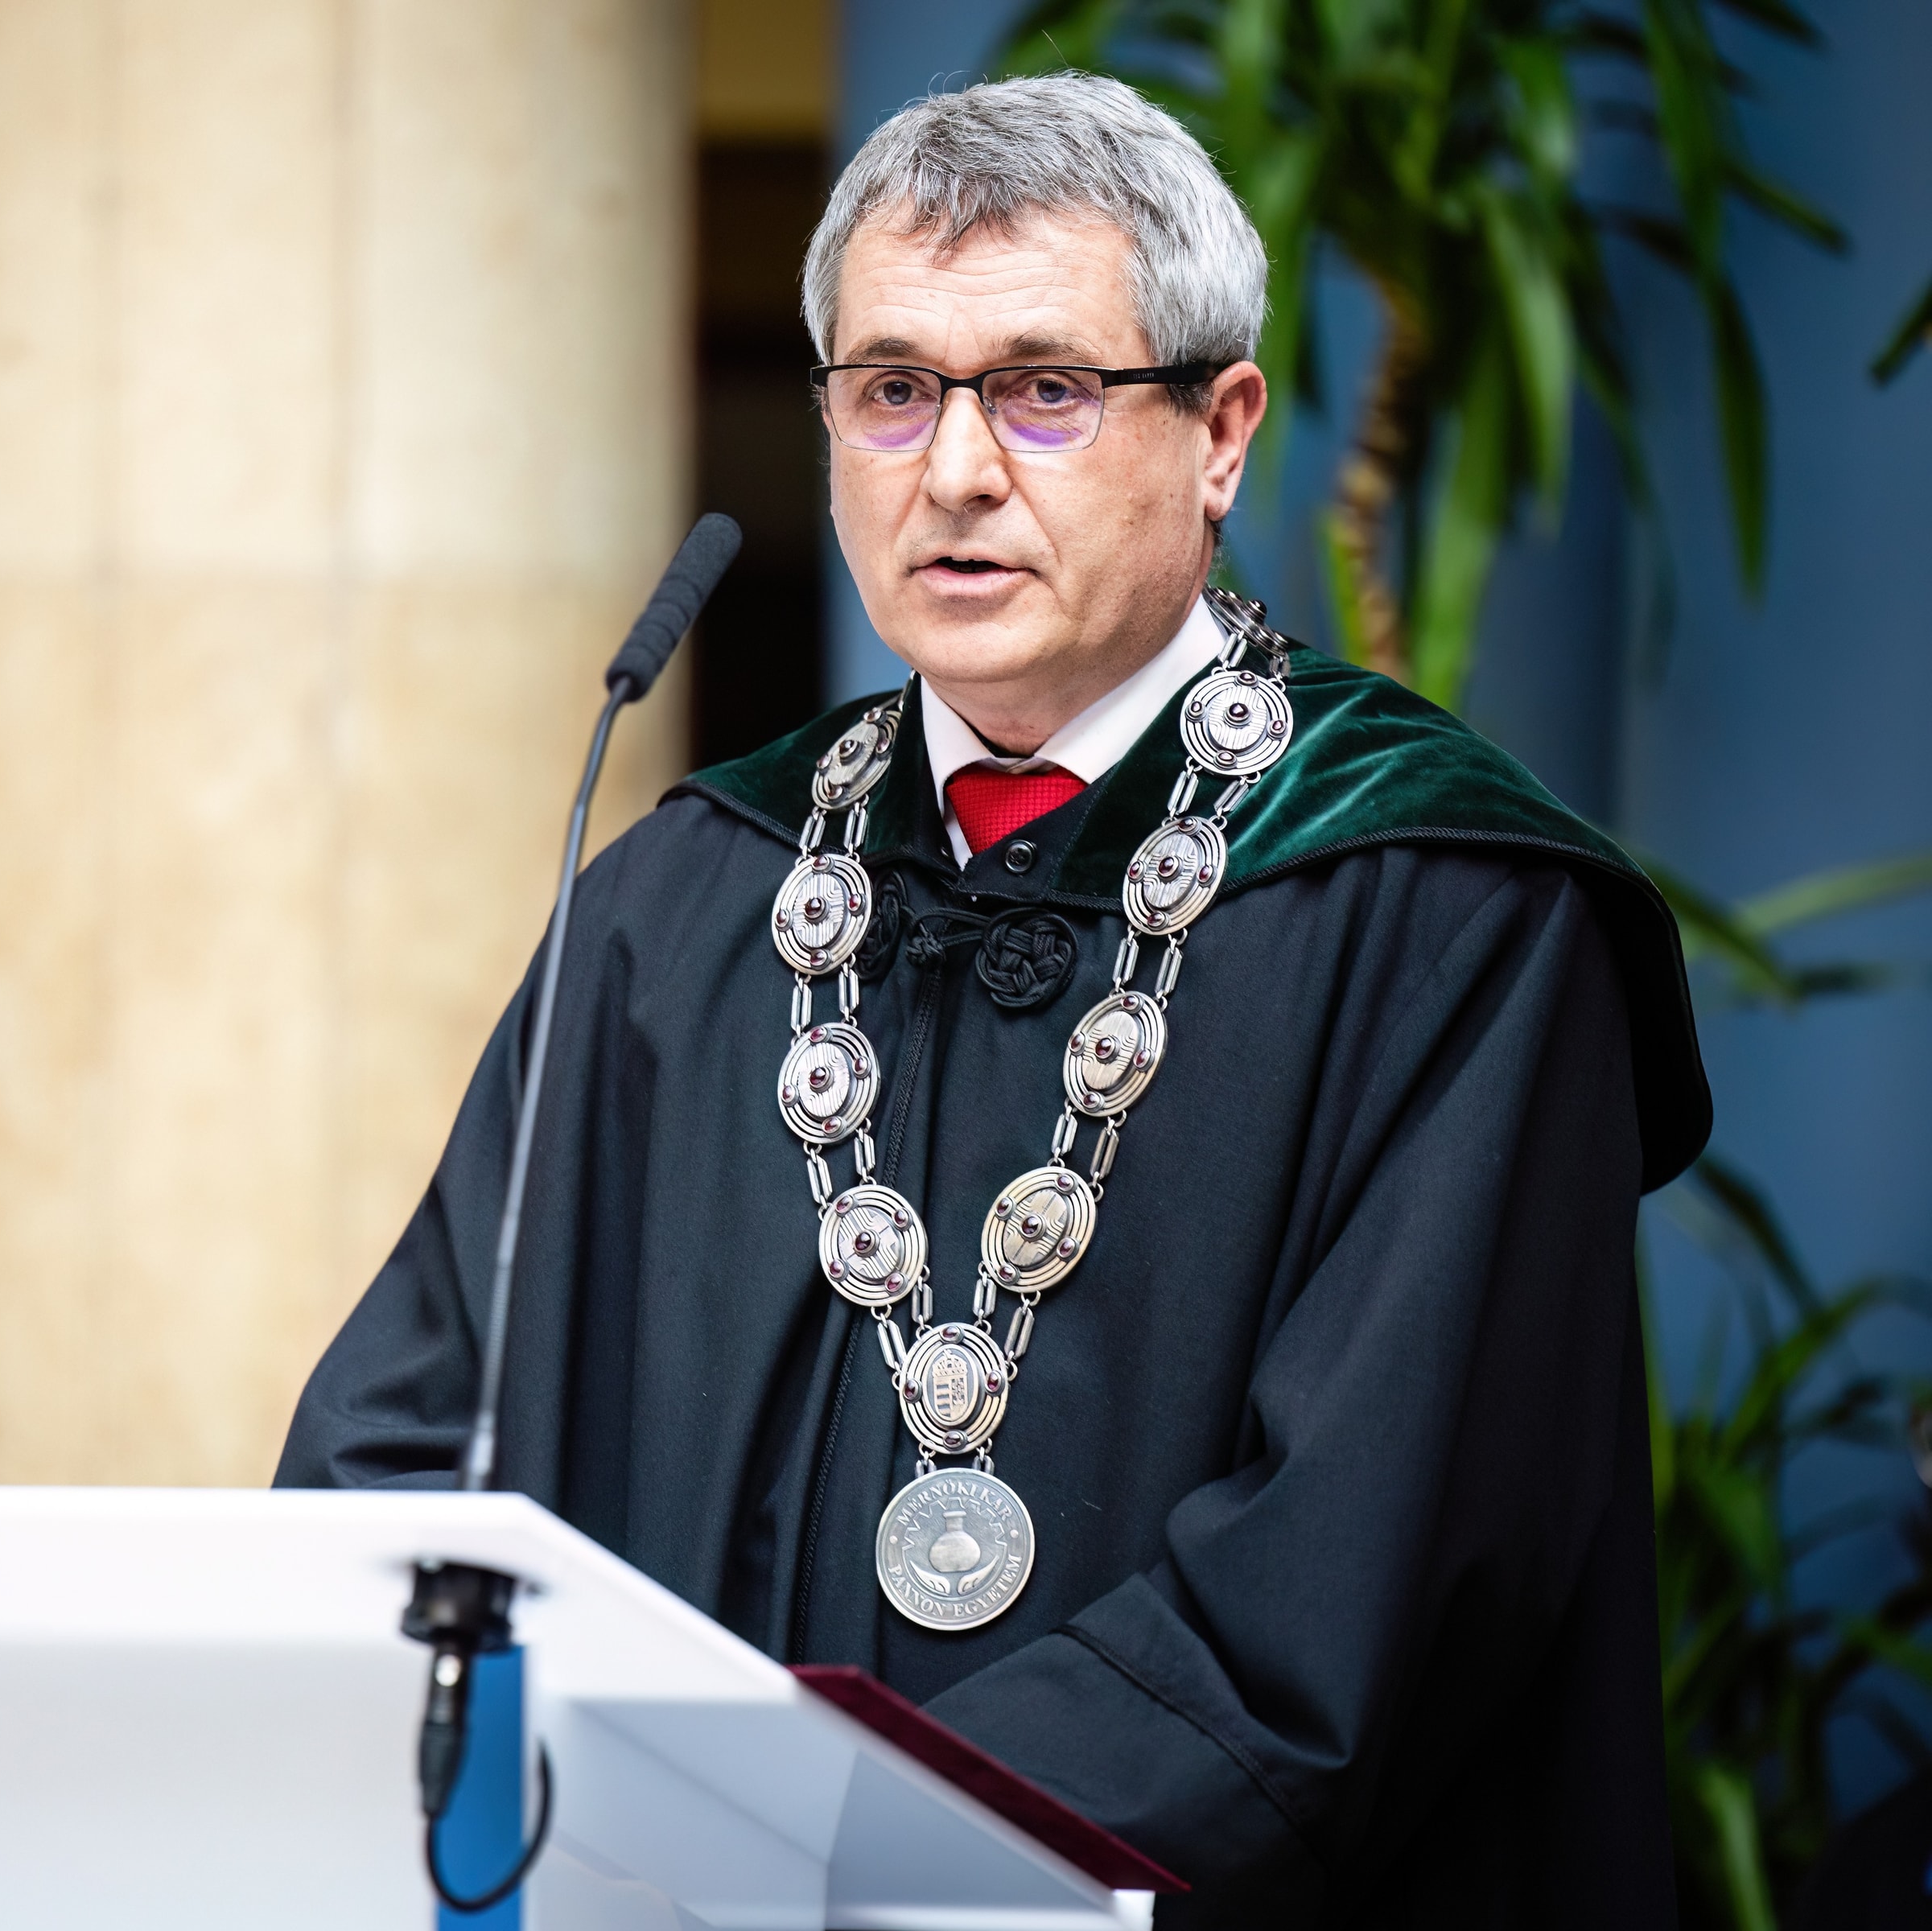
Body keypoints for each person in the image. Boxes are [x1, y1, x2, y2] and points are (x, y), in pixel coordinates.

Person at [278, 72, 1702, 1927]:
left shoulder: (1444, 917)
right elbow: (401, 1458)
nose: (952, 471)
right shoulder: (680, 907)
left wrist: (828, 1857)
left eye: (1044, 390)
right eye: (891, 390)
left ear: (1221, 433)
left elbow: (1361, 1593)